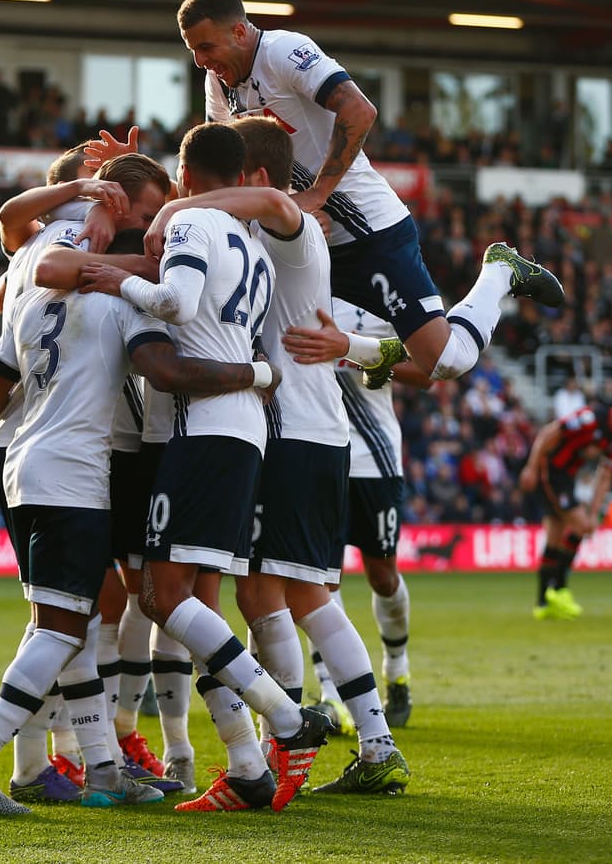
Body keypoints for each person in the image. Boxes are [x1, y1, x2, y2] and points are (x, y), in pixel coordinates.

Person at [0, 229, 281, 816]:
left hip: (21, 465)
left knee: (67, 620)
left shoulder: (28, 300)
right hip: (77, 475)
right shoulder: (122, 303)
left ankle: (102, 769)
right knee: (63, 630)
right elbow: (164, 370)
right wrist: (256, 374)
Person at [138, 116, 411, 799]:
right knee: (304, 593)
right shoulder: (254, 240)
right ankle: (374, 743)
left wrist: (173, 206)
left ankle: (286, 744)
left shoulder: (291, 227)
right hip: (310, 427)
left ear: (256, 176)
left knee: (263, 593)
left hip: (289, 428)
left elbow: (271, 201)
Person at [79, 122, 334, 813]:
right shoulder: (250, 241)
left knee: (164, 598)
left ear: (187, 176)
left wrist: (116, 280)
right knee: (200, 605)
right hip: (241, 429)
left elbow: (176, 303)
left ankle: (287, 719)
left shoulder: (192, 224)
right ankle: (247, 765)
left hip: (200, 427)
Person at [174, 0, 564, 389]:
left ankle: (500, 270)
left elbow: (359, 110)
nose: (201, 61)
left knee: (442, 362)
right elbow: (223, 164)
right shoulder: (217, 82)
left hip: (370, 234)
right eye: (193, 51)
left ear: (239, 32)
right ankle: (366, 357)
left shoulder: (282, 51)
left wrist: (318, 194)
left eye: (206, 47)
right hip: (310, 242)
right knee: (286, 341)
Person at [282, 299, 428, 729]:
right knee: (322, 579)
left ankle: (397, 671)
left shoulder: (377, 292)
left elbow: (427, 370)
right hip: (319, 452)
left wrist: (357, 352)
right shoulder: (300, 291)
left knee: (383, 576)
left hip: (375, 459)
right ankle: (333, 696)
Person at [519, 387, 612, 619]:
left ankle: (543, 603)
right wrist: (531, 467)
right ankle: (559, 589)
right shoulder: (591, 419)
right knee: (580, 526)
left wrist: (594, 512)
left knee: (556, 535)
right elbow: (549, 433)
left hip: (567, 478)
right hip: (548, 470)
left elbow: (605, 476)